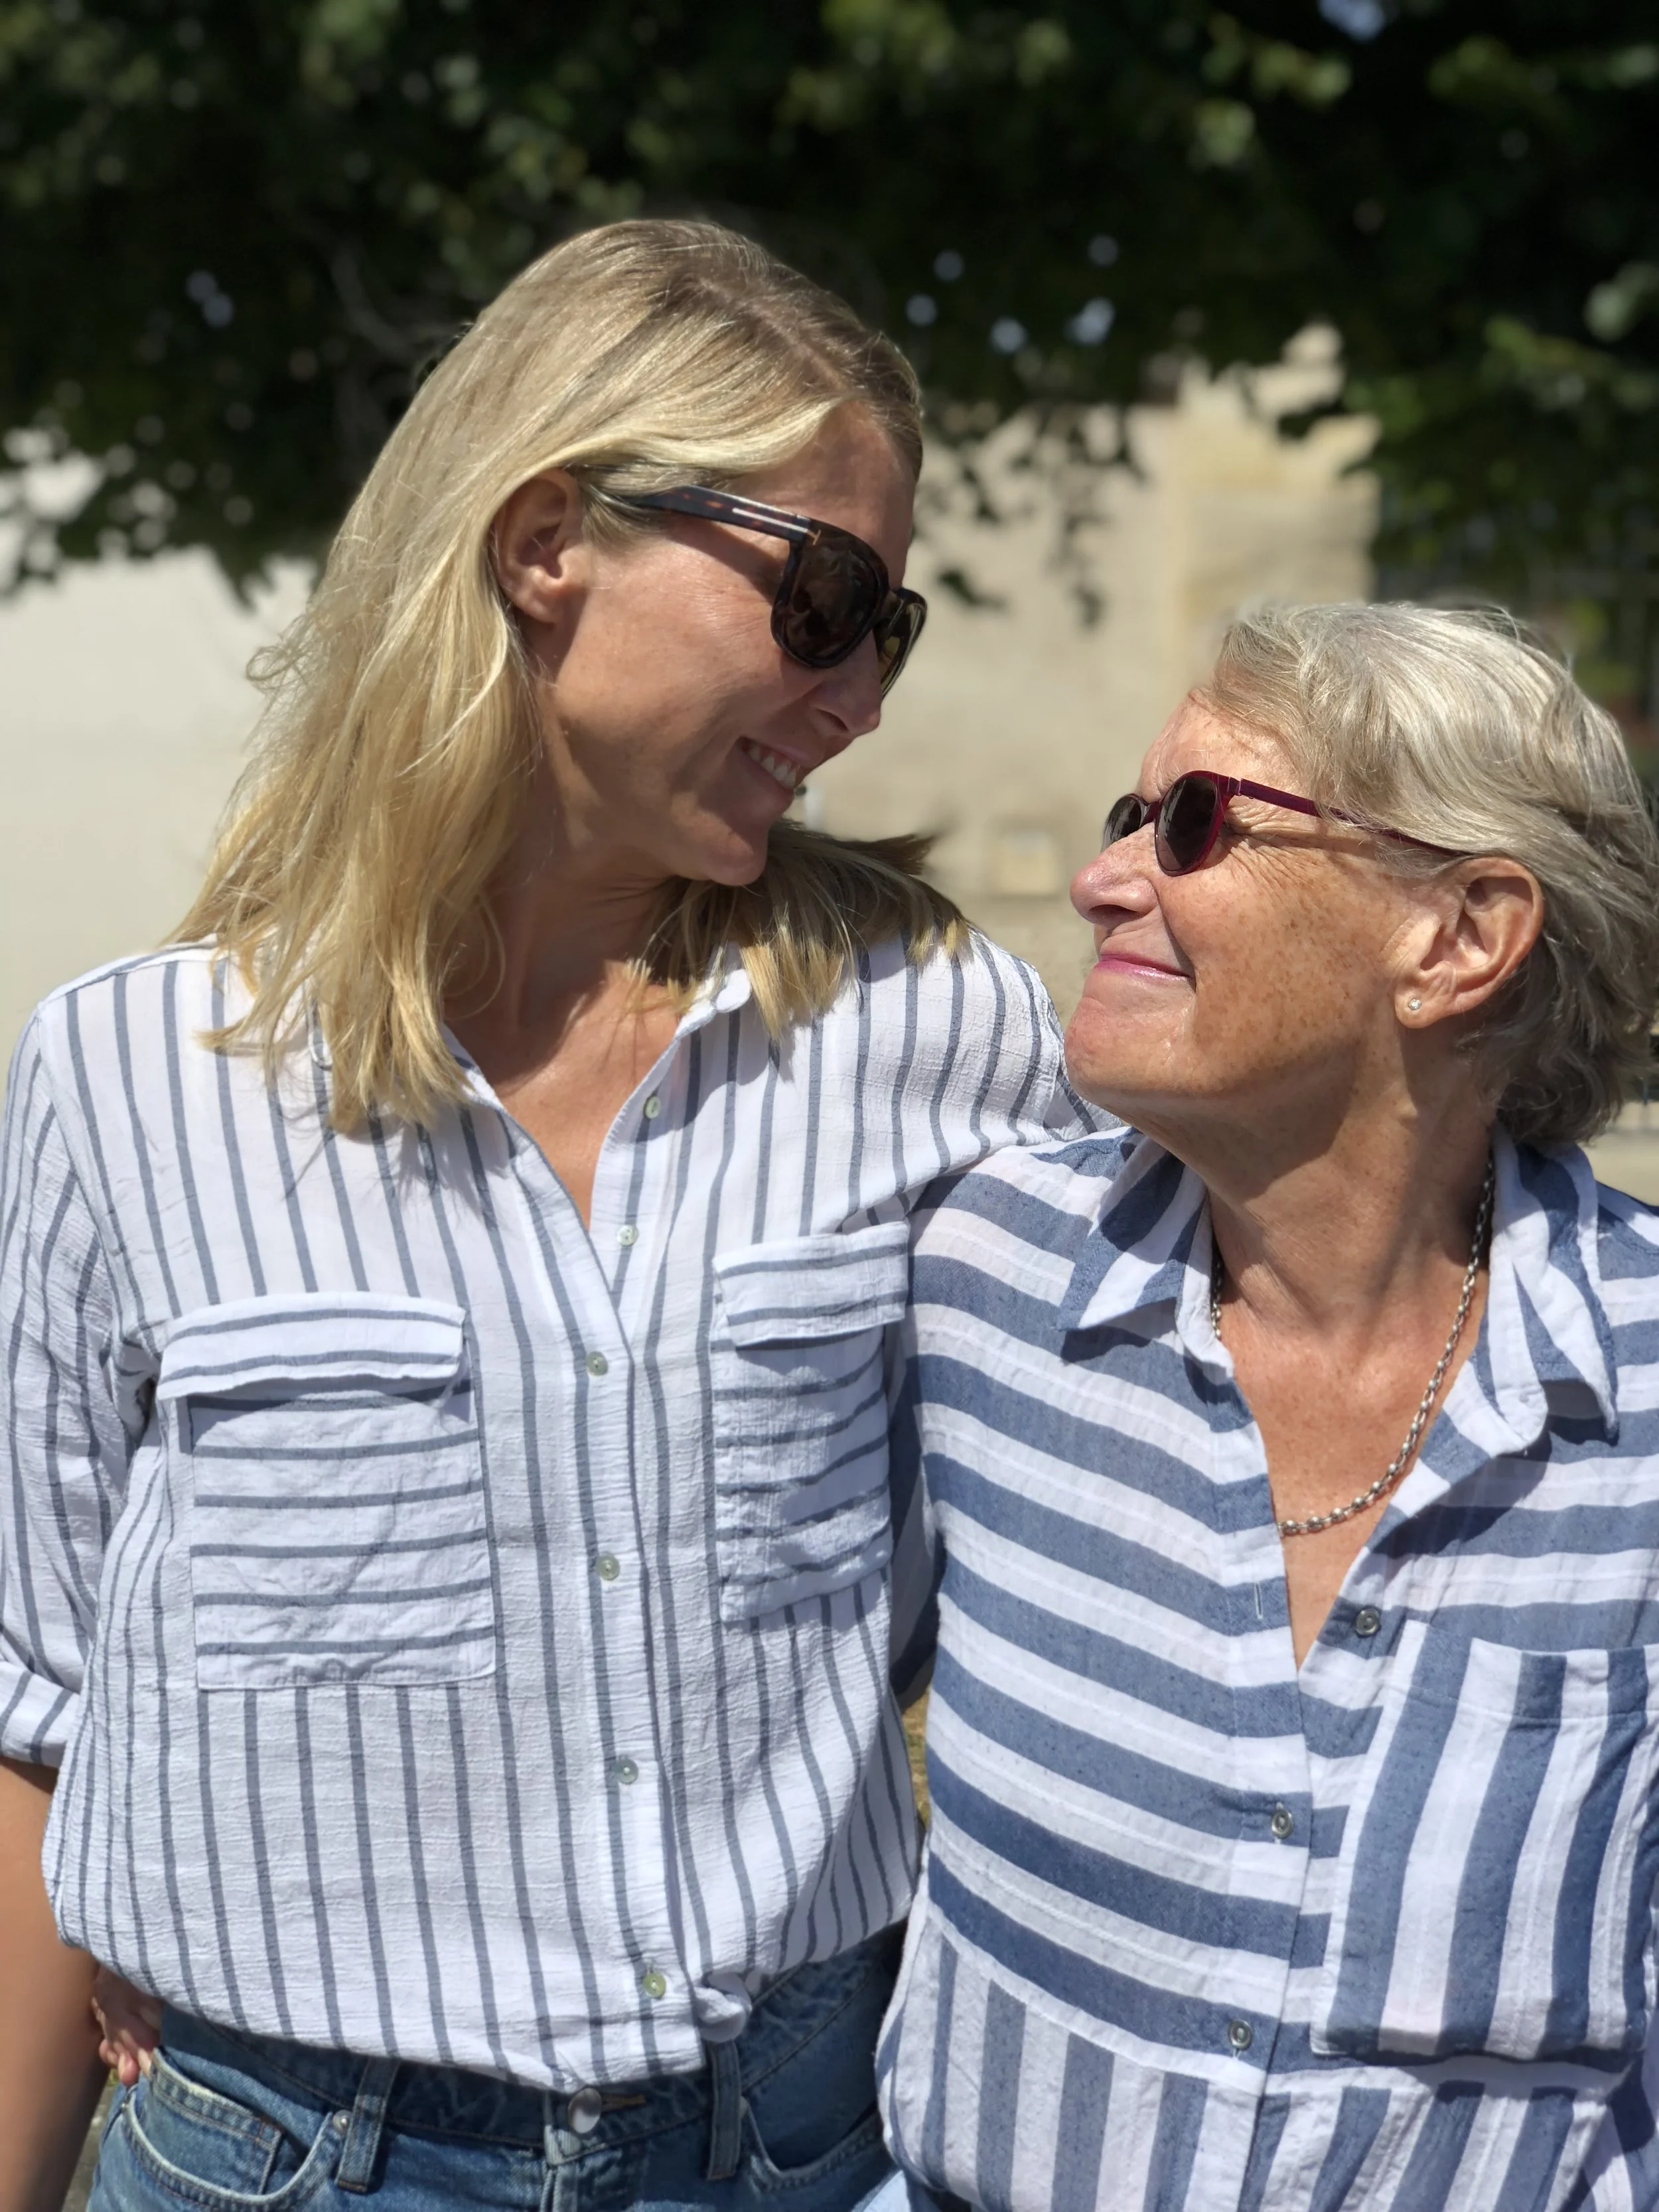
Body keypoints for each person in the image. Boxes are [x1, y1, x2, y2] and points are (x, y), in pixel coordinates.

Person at [0, 219, 1082, 2212]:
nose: (854, 694)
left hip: (800, 2140)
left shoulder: (945, 1042)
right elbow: (39, 1702)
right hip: (288, 2158)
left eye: (889, 628)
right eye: (823, 599)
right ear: (544, 541)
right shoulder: (127, 1078)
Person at [877, 604, 1659, 2211]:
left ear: (1455, 935)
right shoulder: (987, 1280)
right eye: (1122, 818)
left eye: (1193, 824)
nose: (1105, 880)